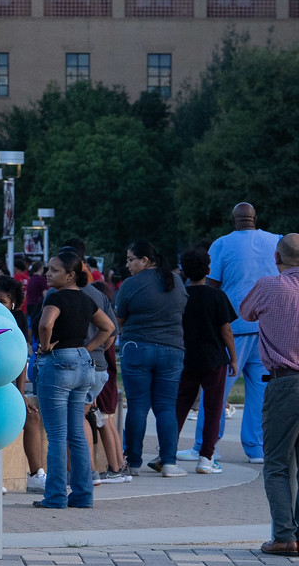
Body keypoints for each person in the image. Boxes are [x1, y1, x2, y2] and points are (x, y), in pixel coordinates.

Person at [34, 246, 116, 509]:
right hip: (84, 365)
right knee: (77, 435)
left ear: (69, 275)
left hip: (58, 363)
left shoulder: (54, 298)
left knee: (56, 436)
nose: (48, 273)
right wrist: (88, 348)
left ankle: (55, 497)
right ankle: (82, 496)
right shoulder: (86, 298)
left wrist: (45, 347)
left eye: (54, 270)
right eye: (48, 268)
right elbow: (109, 327)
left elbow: (46, 324)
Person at [238, 233, 299, 555]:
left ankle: (284, 536)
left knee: (276, 463)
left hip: (285, 381)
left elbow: (246, 313)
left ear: (277, 258)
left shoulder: (270, 285)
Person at [212, 202, 280, 464]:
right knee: (259, 393)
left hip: (233, 329)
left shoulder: (221, 244)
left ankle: (207, 446)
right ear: (255, 218)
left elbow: (212, 285)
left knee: (218, 390)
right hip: (266, 329)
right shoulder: (275, 241)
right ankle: (256, 448)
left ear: (234, 220)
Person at [116, 239, 189, 477]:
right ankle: (169, 462)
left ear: (144, 260)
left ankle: (133, 462)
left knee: (137, 406)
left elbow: (119, 319)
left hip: (137, 347)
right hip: (172, 349)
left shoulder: (130, 285)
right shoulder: (175, 281)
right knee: (166, 407)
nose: (127, 264)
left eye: (130, 259)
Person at [175, 249, 236, 473]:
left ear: (184, 272)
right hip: (214, 358)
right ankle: (206, 458)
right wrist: (233, 358)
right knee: (212, 408)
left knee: (179, 406)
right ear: (209, 271)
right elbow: (226, 330)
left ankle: (167, 451)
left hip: (186, 358)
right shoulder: (217, 296)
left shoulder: (180, 296)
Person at [0, 275, 48, 491]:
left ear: (13, 304)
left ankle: (36, 475)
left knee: (32, 416)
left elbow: (22, 358)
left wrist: (20, 394)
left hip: (6, 385)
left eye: (2, 301)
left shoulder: (18, 321)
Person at [77, 256, 130, 483]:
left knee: (99, 420)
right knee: (106, 419)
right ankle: (119, 466)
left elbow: (109, 332)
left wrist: (88, 349)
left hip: (94, 369)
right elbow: (111, 333)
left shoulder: (81, 300)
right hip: (104, 371)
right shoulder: (106, 340)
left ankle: (109, 469)